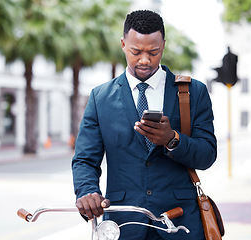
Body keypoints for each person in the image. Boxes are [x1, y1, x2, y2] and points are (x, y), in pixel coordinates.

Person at [72, 10, 217, 240]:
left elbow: (207, 155)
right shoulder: (100, 98)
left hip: (180, 224)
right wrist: (88, 191)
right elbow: (85, 159)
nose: (145, 60)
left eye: (153, 52)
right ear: (122, 44)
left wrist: (172, 139)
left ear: (164, 45)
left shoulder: (192, 92)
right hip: (124, 225)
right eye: (136, 51)